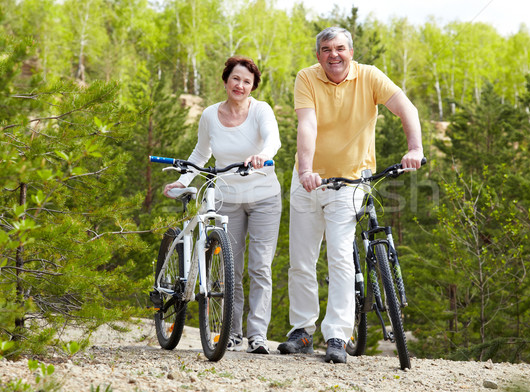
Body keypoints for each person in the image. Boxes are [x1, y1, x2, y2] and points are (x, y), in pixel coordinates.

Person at [277, 27, 424, 363]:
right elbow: (307, 125)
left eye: (340, 48)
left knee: (341, 257)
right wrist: (304, 171)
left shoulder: (370, 77)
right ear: (318, 56)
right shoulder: (307, 78)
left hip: (349, 182)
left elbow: (406, 108)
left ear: (351, 51)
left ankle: (338, 336)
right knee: (301, 260)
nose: (334, 55)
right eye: (326, 49)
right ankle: (301, 332)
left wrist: (414, 148)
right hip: (309, 180)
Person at [163, 56, 282, 354]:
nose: (240, 85)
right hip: (227, 198)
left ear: (253, 86)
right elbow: (201, 153)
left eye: (247, 81)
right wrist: (183, 179)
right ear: (226, 80)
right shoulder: (209, 115)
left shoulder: (261, 111)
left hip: (264, 197)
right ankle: (232, 332)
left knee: (260, 267)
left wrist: (262, 155)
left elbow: (273, 140)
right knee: (230, 268)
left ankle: (257, 335)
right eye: (235, 79)